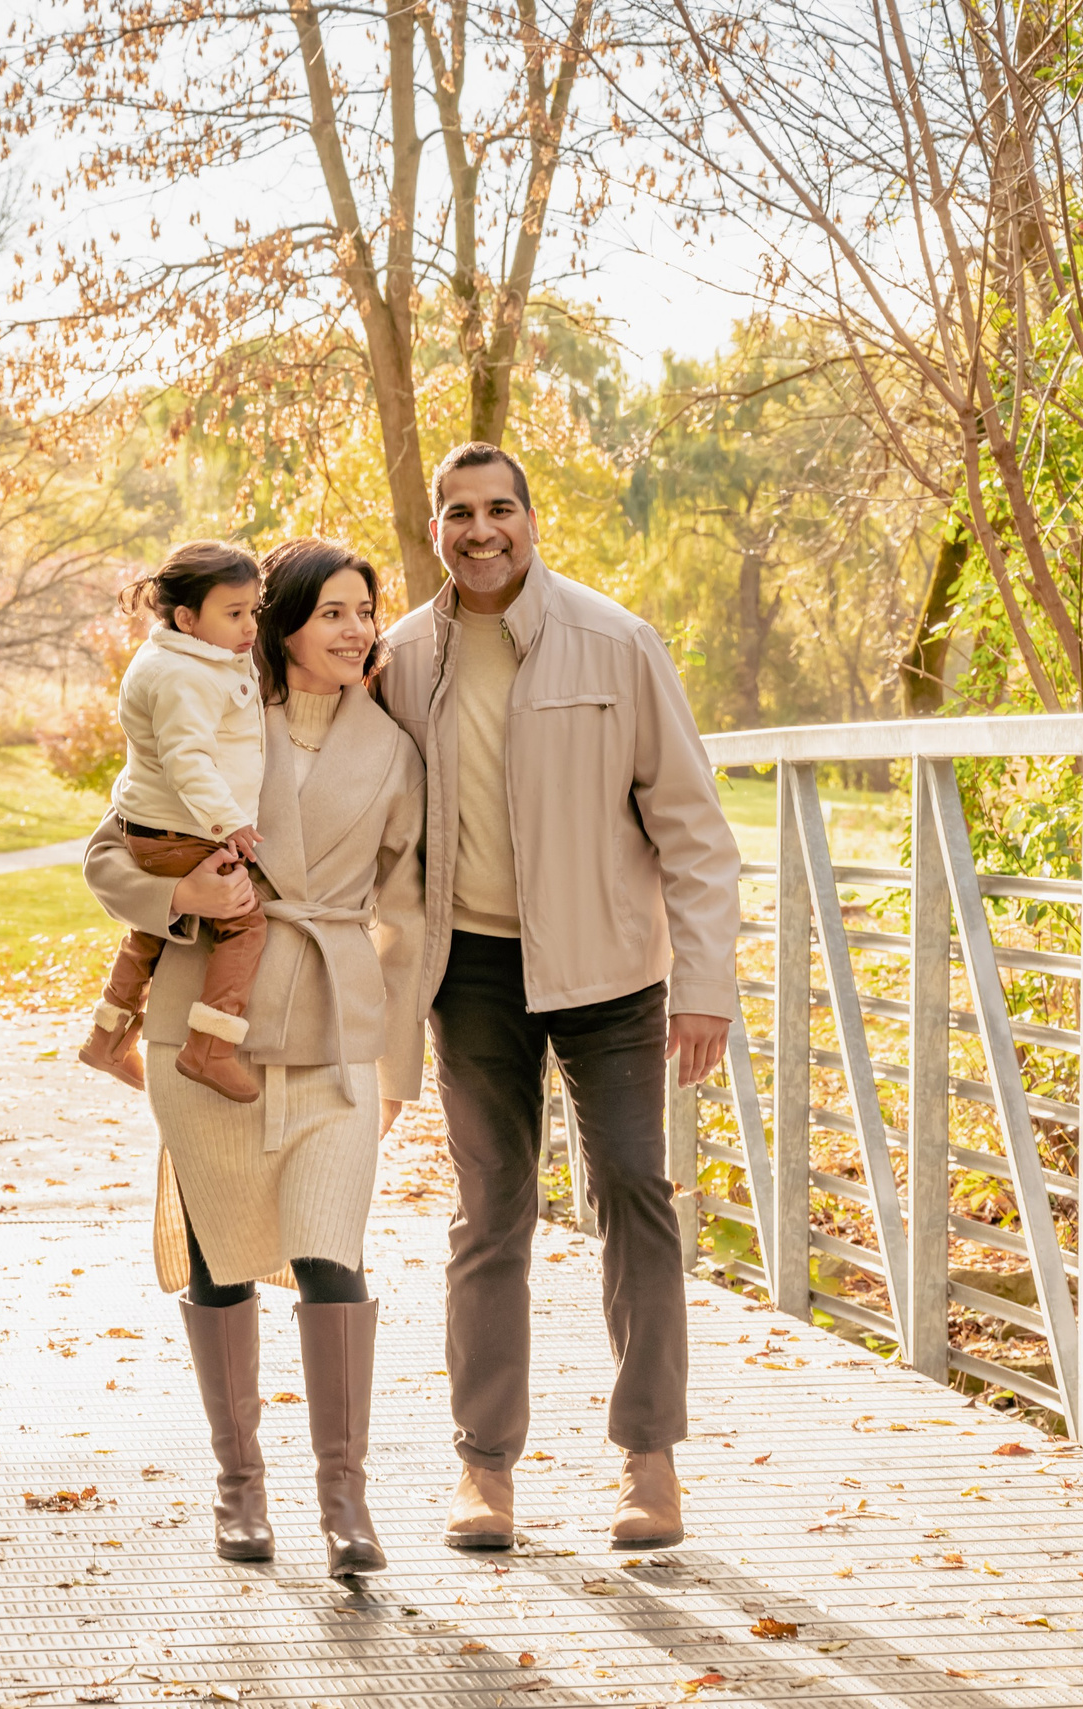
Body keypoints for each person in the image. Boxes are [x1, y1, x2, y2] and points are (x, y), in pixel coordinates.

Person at [376, 442, 741, 1551]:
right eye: (457, 514)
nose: (480, 530)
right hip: (473, 971)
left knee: (635, 1188)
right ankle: (484, 1470)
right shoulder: (398, 657)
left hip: (611, 971)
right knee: (492, 1210)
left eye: (499, 509)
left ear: (531, 519)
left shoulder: (615, 641)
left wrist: (704, 985)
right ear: (434, 531)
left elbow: (692, 825)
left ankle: (649, 1460)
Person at [79, 538, 426, 1579]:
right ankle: (238, 1486)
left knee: (334, 1255)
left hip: (334, 1029)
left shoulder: (397, 752)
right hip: (205, 1032)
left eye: (366, 611)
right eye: (332, 613)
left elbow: (407, 912)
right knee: (221, 1249)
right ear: (277, 627)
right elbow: (113, 848)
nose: (358, 630)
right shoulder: (222, 715)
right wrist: (180, 896)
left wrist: (400, 1064)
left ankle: (344, 1499)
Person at [78, 539, 273, 1103]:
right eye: (233, 614)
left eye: (253, 612)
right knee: (243, 924)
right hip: (182, 830)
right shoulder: (183, 676)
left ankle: (107, 1035)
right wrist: (229, 822)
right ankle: (210, 1046)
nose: (249, 627)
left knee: (149, 931)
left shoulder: (182, 658)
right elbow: (188, 761)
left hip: (155, 826)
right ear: (188, 618)